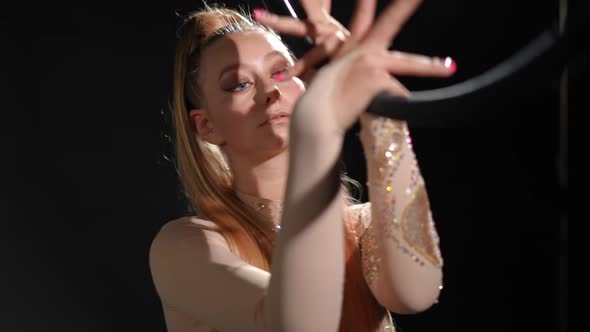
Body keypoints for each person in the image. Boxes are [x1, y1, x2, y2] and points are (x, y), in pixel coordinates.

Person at [149, 0, 456, 331]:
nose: (270, 92)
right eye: (239, 83)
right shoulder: (186, 246)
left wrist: (380, 110)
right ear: (206, 126)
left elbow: (415, 293)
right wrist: (317, 131)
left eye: (281, 72)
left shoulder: (364, 225)